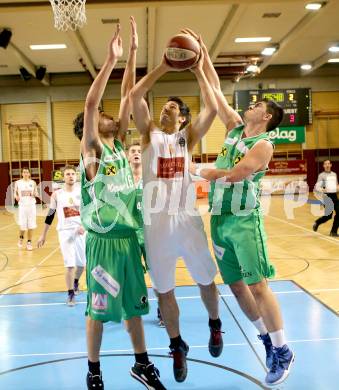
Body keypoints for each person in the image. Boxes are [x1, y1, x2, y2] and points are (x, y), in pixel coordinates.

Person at [183, 29, 295, 386]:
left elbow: (234, 174)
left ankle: (283, 348)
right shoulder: (234, 129)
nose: (252, 104)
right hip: (219, 220)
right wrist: (199, 61)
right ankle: (265, 339)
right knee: (234, 285)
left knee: (258, 286)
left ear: (266, 117)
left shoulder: (264, 144)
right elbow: (213, 92)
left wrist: (196, 170)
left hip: (244, 223)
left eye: (259, 104)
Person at [73, 18, 166, 390]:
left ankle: (141, 364)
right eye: (102, 117)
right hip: (104, 244)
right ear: (91, 128)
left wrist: (132, 52)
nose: (111, 114)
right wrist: (109, 60)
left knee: (134, 308)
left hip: (129, 241)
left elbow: (128, 97)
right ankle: (93, 371)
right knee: (98, 311)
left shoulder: (117, 145)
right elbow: (92, 101)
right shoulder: (93, 151)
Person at [130, 43, 223, 383]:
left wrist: (199, 66)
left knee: (205, 281)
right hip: (156, 229)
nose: (165, 110)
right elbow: (134, 98)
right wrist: (164, 65)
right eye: (164, 107)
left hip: (187, 223)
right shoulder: (148, 135)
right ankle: (177, 344)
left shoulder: (188, 138)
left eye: (172, 107)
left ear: (182, 117)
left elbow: (213, 105)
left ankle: (215, 324)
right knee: (163, 291)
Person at [127, 142, 165, 327]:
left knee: (157, 275)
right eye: (132, 151)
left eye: (139, 151)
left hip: (151, 234)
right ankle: (136, 308)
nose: (136, 154)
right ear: (127, 156)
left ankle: (162, 310)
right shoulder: (121, 181)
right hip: (129, 235)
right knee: (132, 276)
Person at [37, 165, 85, 306]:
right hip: (65, 232)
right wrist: (43, 235)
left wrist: (84, 226)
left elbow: (89, 213)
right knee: (70, 265)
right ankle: (70, 294)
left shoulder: (82, 192)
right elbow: (50, 215)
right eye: (68, 174)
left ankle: (75, 282)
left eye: (73, 174)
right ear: (63, 177)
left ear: (76, 176)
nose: (71, 176)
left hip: (81, 232)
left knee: (82, 264)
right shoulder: (57, 194)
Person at [14, 167, 39, 251]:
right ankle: (21, 239)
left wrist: (35, 194)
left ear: (29, 174)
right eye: (24, 172)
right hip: (22, 207)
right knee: (22, 226)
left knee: (31, 225)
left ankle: (29, 242)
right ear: (22, 173)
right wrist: (16, 197)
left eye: (27, 172)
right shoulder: (18, 183)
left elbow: (36, 193)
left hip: (31, 206)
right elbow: (15, 194)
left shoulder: (33, 182)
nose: (25, 174)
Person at [313, 159, 339, 237]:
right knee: (329, 216)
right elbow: (317, 187)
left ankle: (333, 231)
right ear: (324, 166)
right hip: (326, 197)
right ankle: (317, 222)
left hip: (334, 195)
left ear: (331, 165)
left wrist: (338, 187)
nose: (327, 165)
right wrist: (323, 189)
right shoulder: (321, 175)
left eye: (328, 164)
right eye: (325, 164)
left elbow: (336, 184)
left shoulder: (334, 174)